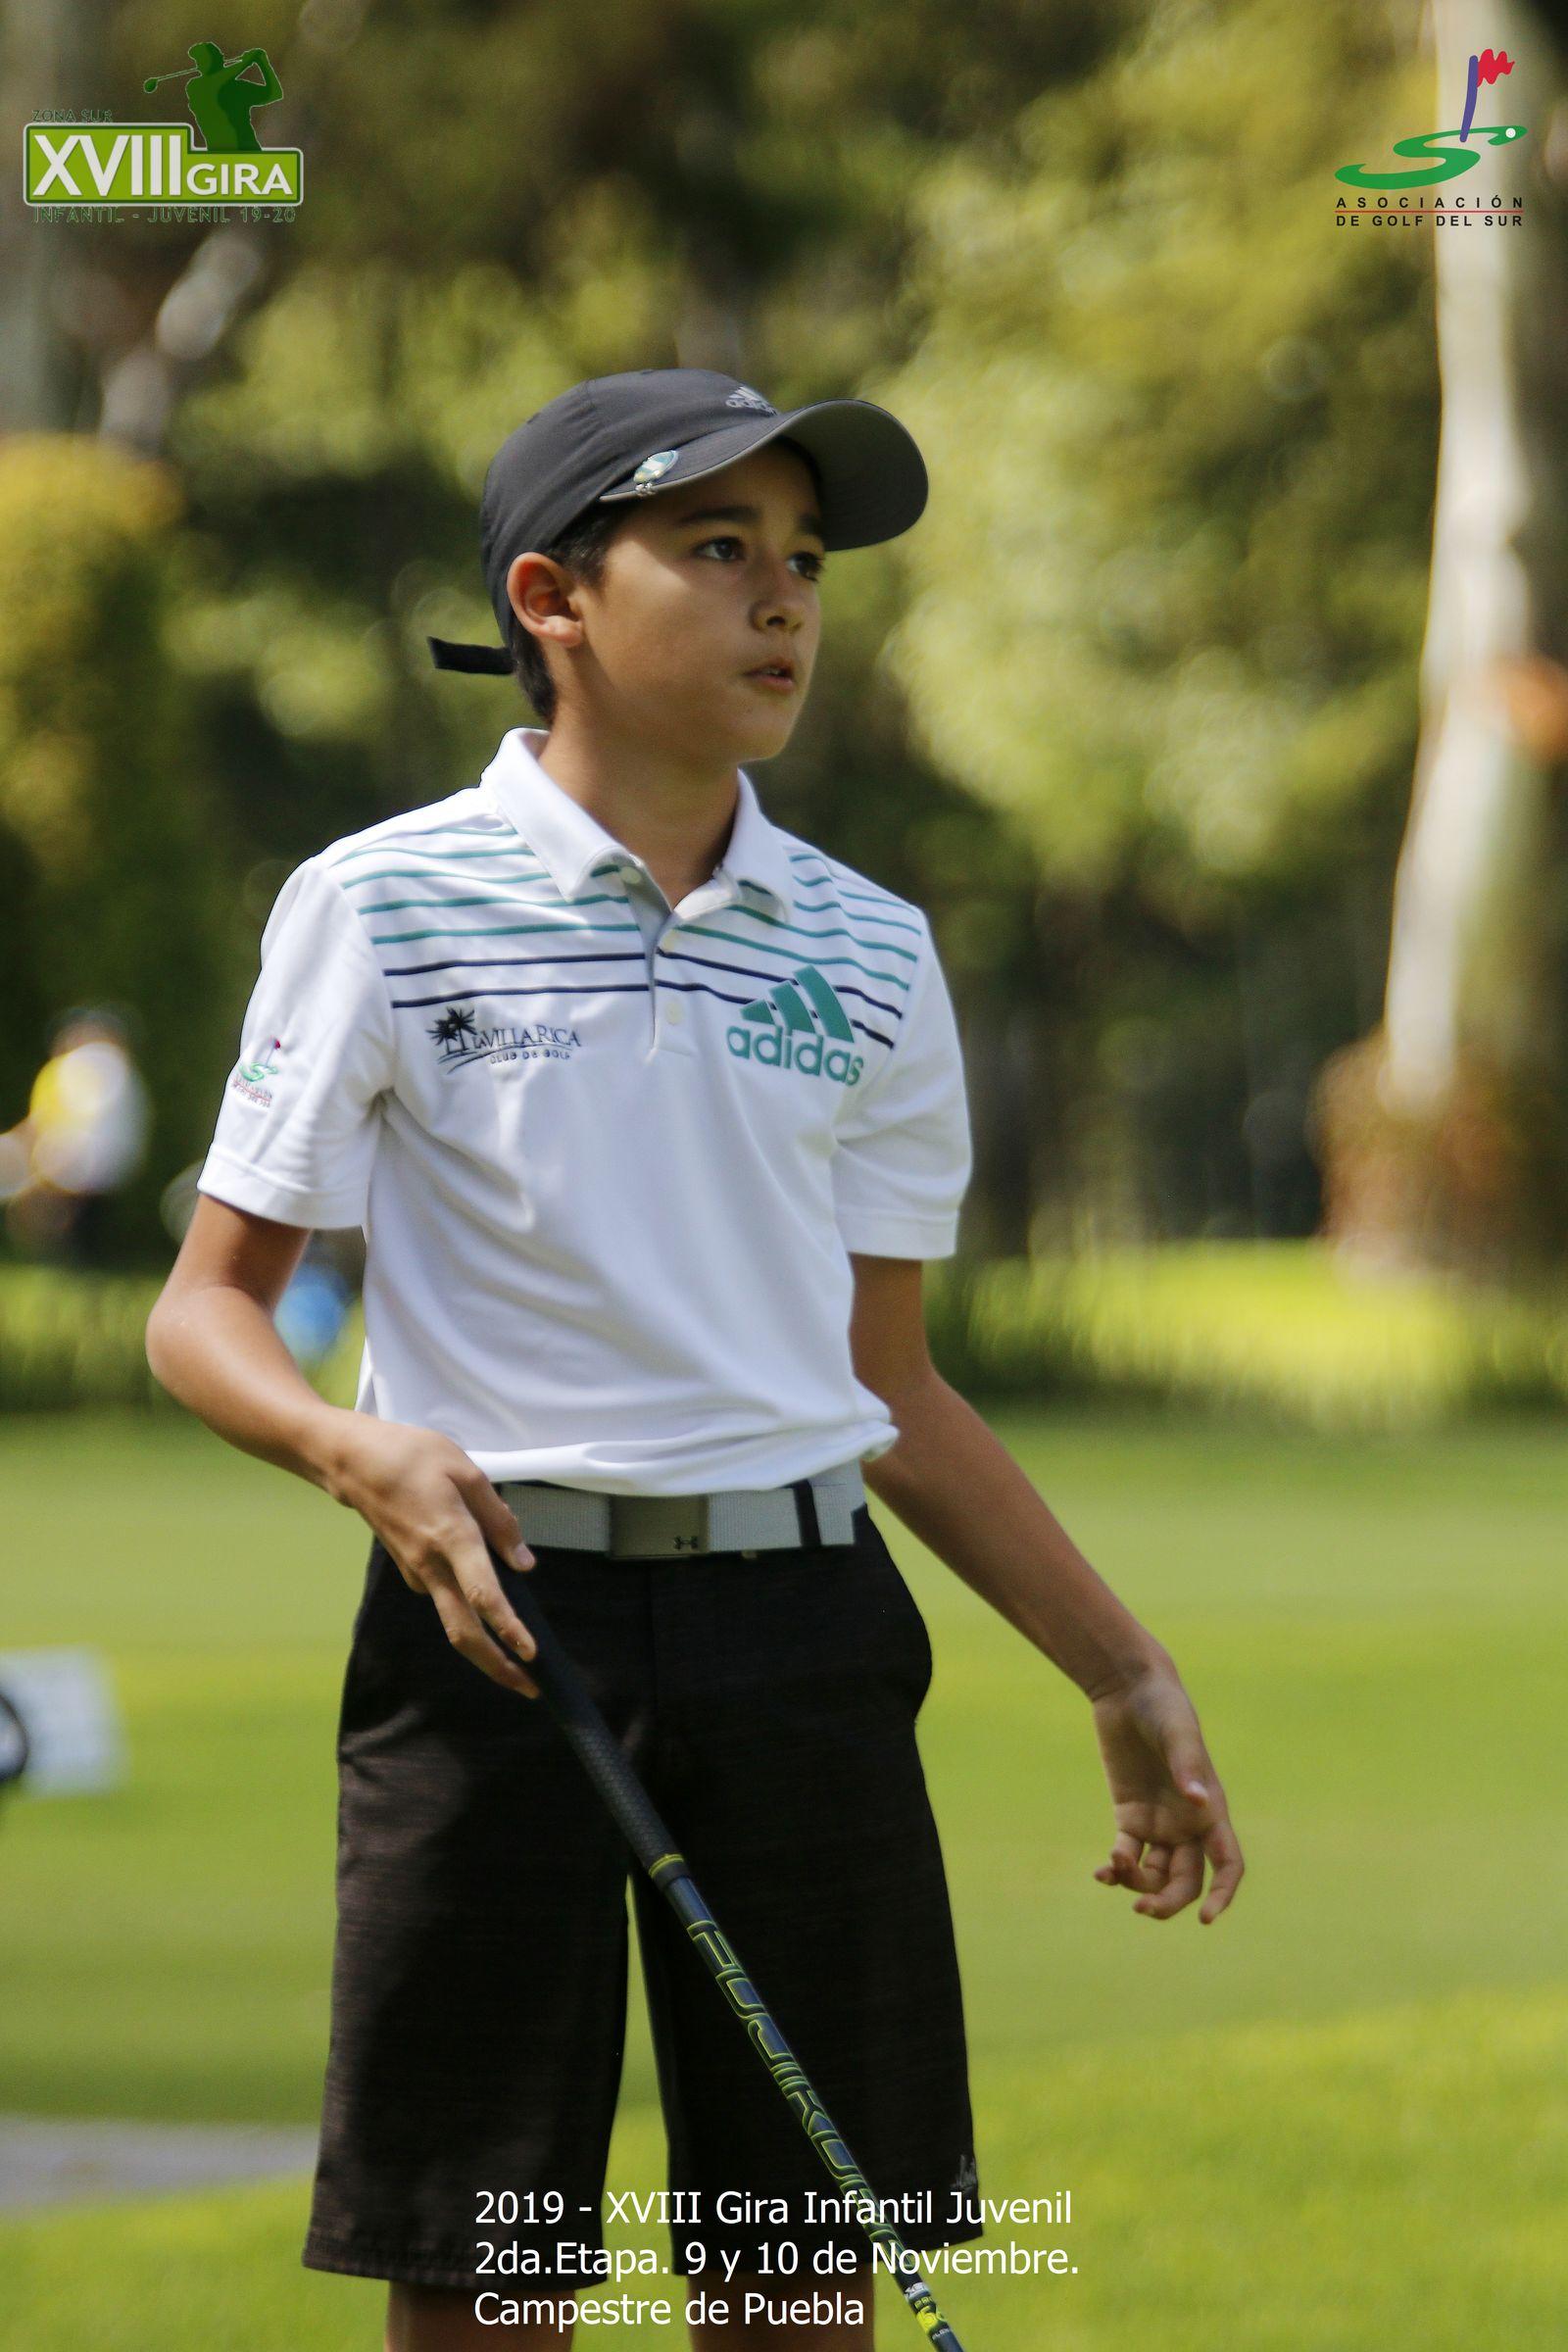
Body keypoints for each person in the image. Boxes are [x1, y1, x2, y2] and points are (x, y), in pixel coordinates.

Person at [145, 368, 1244, 2352]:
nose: (783, 598)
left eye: (804, 557)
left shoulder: (870, 948)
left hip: (805, 1637)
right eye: (717, 547)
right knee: (486, 2277)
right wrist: (350, 1450)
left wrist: (1121, 1666)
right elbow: (204, 1310)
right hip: (491, 1627)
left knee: (801, 2278)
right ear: (551, 598)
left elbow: (889, 1388)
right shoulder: (380, 903)